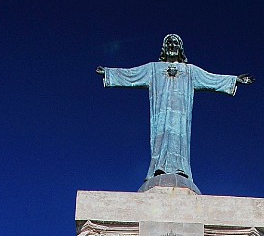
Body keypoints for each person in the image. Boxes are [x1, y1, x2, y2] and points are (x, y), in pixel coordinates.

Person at [97, 34, 253, 189]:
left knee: (180, 139)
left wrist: (234, 80)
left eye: (175, 43)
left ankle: (181, 170)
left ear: (180, 48)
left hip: (181, 116)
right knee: (161, 136)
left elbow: (210, 78)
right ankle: (158, 168)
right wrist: (109, 73)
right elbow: (132, 74)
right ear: (165, 48)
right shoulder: (153, 69)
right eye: (169, 43)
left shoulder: (190, 71)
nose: (172, 46)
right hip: (160, 114)